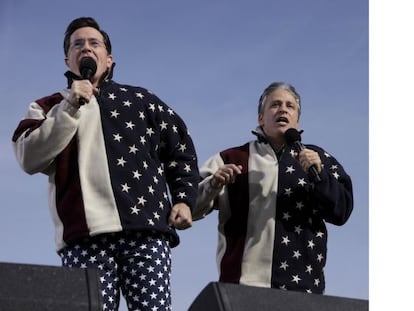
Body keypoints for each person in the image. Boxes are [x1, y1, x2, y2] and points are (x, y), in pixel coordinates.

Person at [12, 17, 199, 311]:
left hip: (146, 234)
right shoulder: (47, 106)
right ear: (68, 59)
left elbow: (181, 151)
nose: (86, 48)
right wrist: (69, 107)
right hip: (84, 239)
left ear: (109, 59)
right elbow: (28, 157)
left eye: (94, 43)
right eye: (78, 44)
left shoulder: (142, 101)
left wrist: (185, 200)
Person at [193, 82, 353, 294]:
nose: (283, 109)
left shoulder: (320, 159)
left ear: (297, 119)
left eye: (290, 106)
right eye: (275, 105)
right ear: (261, 117)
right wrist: (213, 184)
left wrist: (320, 175)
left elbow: (341, 212)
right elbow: (188, 209)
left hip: (303, 290)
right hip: (242, 287)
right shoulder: (230, 158)